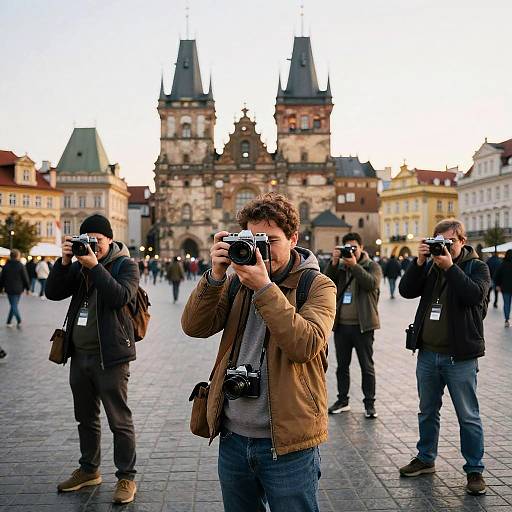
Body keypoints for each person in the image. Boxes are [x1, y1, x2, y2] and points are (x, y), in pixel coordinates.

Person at [182, 193, 336, 512]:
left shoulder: (317, 286)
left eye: (271, 240)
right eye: (252, 240)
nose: (261, 250)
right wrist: (215, 276)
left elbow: (305, 344)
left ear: (293, 239)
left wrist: (265, 288)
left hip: (288, 445)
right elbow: (194, 326)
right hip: (233, 438)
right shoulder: (237, 282)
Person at [45, 214, 139, 504]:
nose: (92, 246)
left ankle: (126, 477)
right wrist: (63, 264)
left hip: (110, 356)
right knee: (85, 418)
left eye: (97, 241)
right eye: (87, 241)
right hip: (80, 355)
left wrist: (95, 267)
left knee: (119, 420)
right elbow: (52, 293)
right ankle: (89, 469)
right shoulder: (78, 265)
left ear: (109, 240)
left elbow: (120, 297)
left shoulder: (126, 265)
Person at [398, 218, 490, 496]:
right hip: (428, 354)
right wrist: (418, 263)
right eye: (438, 242)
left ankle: (474, 469)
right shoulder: (431, 267)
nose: (443, 248)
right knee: (427, 411)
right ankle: (425, 458)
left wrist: (449, 267)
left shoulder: (477, 267)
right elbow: (405, 291)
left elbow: (473, 296)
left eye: (448, 243)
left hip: (459, 357)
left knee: (468, 416)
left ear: (462, 241)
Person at [323, 233, 382, 418]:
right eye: (346, 248)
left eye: (354, 247)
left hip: (363, 325)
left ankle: (369, 404)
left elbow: (371, 284)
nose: (350, 251)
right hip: (342, 325)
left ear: (361, 247)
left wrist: (354, 266)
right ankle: (342, 400)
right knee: (342, 366)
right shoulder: (340, 267)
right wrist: (333, 263)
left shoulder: (372, 266)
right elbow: (326, 282)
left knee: (367, 366)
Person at [0, 249, 29, 328]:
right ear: (17, 256)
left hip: (8, 288)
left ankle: (9, 321)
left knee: (13, 305)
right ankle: (19, 321)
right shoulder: (20, 265)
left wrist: (1, 288)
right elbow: (25, 278)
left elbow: (2, 278)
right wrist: (28, 288)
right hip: (18, 289)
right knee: (14, 305)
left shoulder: (6, 265)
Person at [494, 249, 512, 327]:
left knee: (506, 304)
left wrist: (497, 285)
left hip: (505, 288)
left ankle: (507, 320)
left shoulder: (502, 265)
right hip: (507, 288)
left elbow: (496, 276)